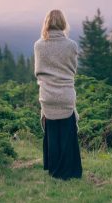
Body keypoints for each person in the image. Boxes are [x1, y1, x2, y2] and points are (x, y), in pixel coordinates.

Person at [34, 9, 82, 180]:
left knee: (52, 134)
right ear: (63, 23)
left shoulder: (38, 45)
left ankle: (54, 170)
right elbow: (73, 70)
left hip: (47, 96)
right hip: (66, 94)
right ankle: (70, 171)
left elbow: (38, 72)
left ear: (46, 23)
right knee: (68, 134)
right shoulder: (72, 46)